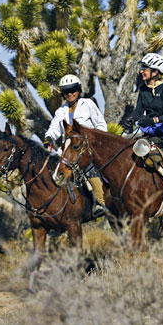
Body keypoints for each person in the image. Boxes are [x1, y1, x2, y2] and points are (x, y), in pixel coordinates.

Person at [44, 74, 108, 217]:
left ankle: (100, 202)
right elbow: (54, 129)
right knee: (54, 173)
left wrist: (94, 141)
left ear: (78, 90)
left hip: (88, 148)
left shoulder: (88, 104)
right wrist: (48, 138)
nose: (70, 94)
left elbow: (101, 125)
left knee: (89, 168)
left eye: (73, 90)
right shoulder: (60, 111)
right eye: (66, 91)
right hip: (69, 150)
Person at [128, 53, 163, 209]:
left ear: (155, 72)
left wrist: (153, 120)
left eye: (145, 68)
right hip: (151, 130)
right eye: (142, 68)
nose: (142, 71)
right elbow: (139, 110)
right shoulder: (143, 89)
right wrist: (132, 118)